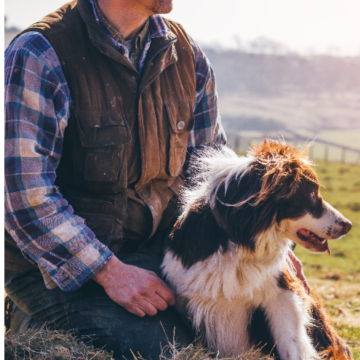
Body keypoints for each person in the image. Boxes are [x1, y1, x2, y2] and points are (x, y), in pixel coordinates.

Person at [4, 0, 309, 358]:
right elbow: (25, 196)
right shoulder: (41, 53)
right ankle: (32, 329)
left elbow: (211, 177)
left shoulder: (187, 55)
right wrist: (111, 273)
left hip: (156, 254)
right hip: (57, 273)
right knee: (173, 352)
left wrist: (260, 247)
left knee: (260, 328)